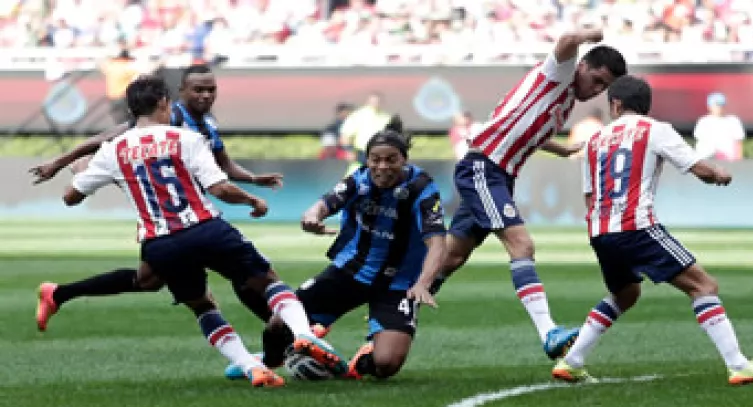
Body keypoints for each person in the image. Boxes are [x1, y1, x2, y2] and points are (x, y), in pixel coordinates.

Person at [61, 76, 349, 387]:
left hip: (160, 243)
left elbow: (71, 198)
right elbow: (219, 188)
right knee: (268, 281)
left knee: (202, 305)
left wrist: (79, 172)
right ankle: (304, 335)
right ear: (163, 103)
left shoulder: (113, 150)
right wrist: (252, 199)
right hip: (205, 228)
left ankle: (251, 367)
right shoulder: (185, 138)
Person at [552, 75, 753, 385]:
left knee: (625, 293)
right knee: (704, 286)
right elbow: (696, 166)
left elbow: (589, 195)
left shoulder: (596, 140)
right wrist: (718, 174)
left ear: (616, 104)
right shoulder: (654, 130)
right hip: (635, 226)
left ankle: (572, 361)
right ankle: (738, 364)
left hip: (600, 229)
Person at [31, 65, 283, 332]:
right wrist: (61, 162)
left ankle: (57, 294)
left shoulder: (207, 124)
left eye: (211, 89)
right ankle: (286, 333)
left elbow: (225, 166)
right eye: (198, 90)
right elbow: (107, 138)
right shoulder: (166, 118)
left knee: (149, 280)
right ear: (180, 92)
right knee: (244, 273)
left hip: (187, 210)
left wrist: (254, 179)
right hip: (168, 209)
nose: (206, 95)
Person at [429, 29, 628, 360]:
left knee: (452, 256)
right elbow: (566, 40)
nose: (595, 91)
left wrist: (561, 150)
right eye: (596, 80)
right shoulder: (560, 73)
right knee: (522, 245)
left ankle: (399, 300)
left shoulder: (563, 103)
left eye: (603, 88)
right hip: (484, 166)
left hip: (498, 175)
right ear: (582, 66)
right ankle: (548, 331)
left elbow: (524, 129)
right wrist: (591, 33)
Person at [225, 116, 447, 380]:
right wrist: (312, 217)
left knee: (386, 364)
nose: (382, 167)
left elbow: (437, 242)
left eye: (391, 160)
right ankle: (269, 362)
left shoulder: (421, 188)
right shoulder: (360, 179)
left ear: (404, 160)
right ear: (367, 160)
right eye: (375, 159)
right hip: (350, 270)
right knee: (278, 324)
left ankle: (364, 359)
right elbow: (326, 202)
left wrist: (423, 283)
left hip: (398, 283)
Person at [339, 92, 392, 176]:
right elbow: (345, 136)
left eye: (377, 101)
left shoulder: (387, 118)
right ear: (368, 101)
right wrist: (349, 151)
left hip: (381, 157)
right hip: (361, 155)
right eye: (373, 101)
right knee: (354, 182)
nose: (375, 103)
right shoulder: (357, 115)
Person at [693, 92, 745, 162]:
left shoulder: (733, 121)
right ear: (709, 106)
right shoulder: (703, 121)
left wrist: (738, 160)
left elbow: (738, 143)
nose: (718, 108)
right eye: (715, 105)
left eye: (721, 105)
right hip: (706, 159)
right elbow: (699, 142)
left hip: (728, 160)